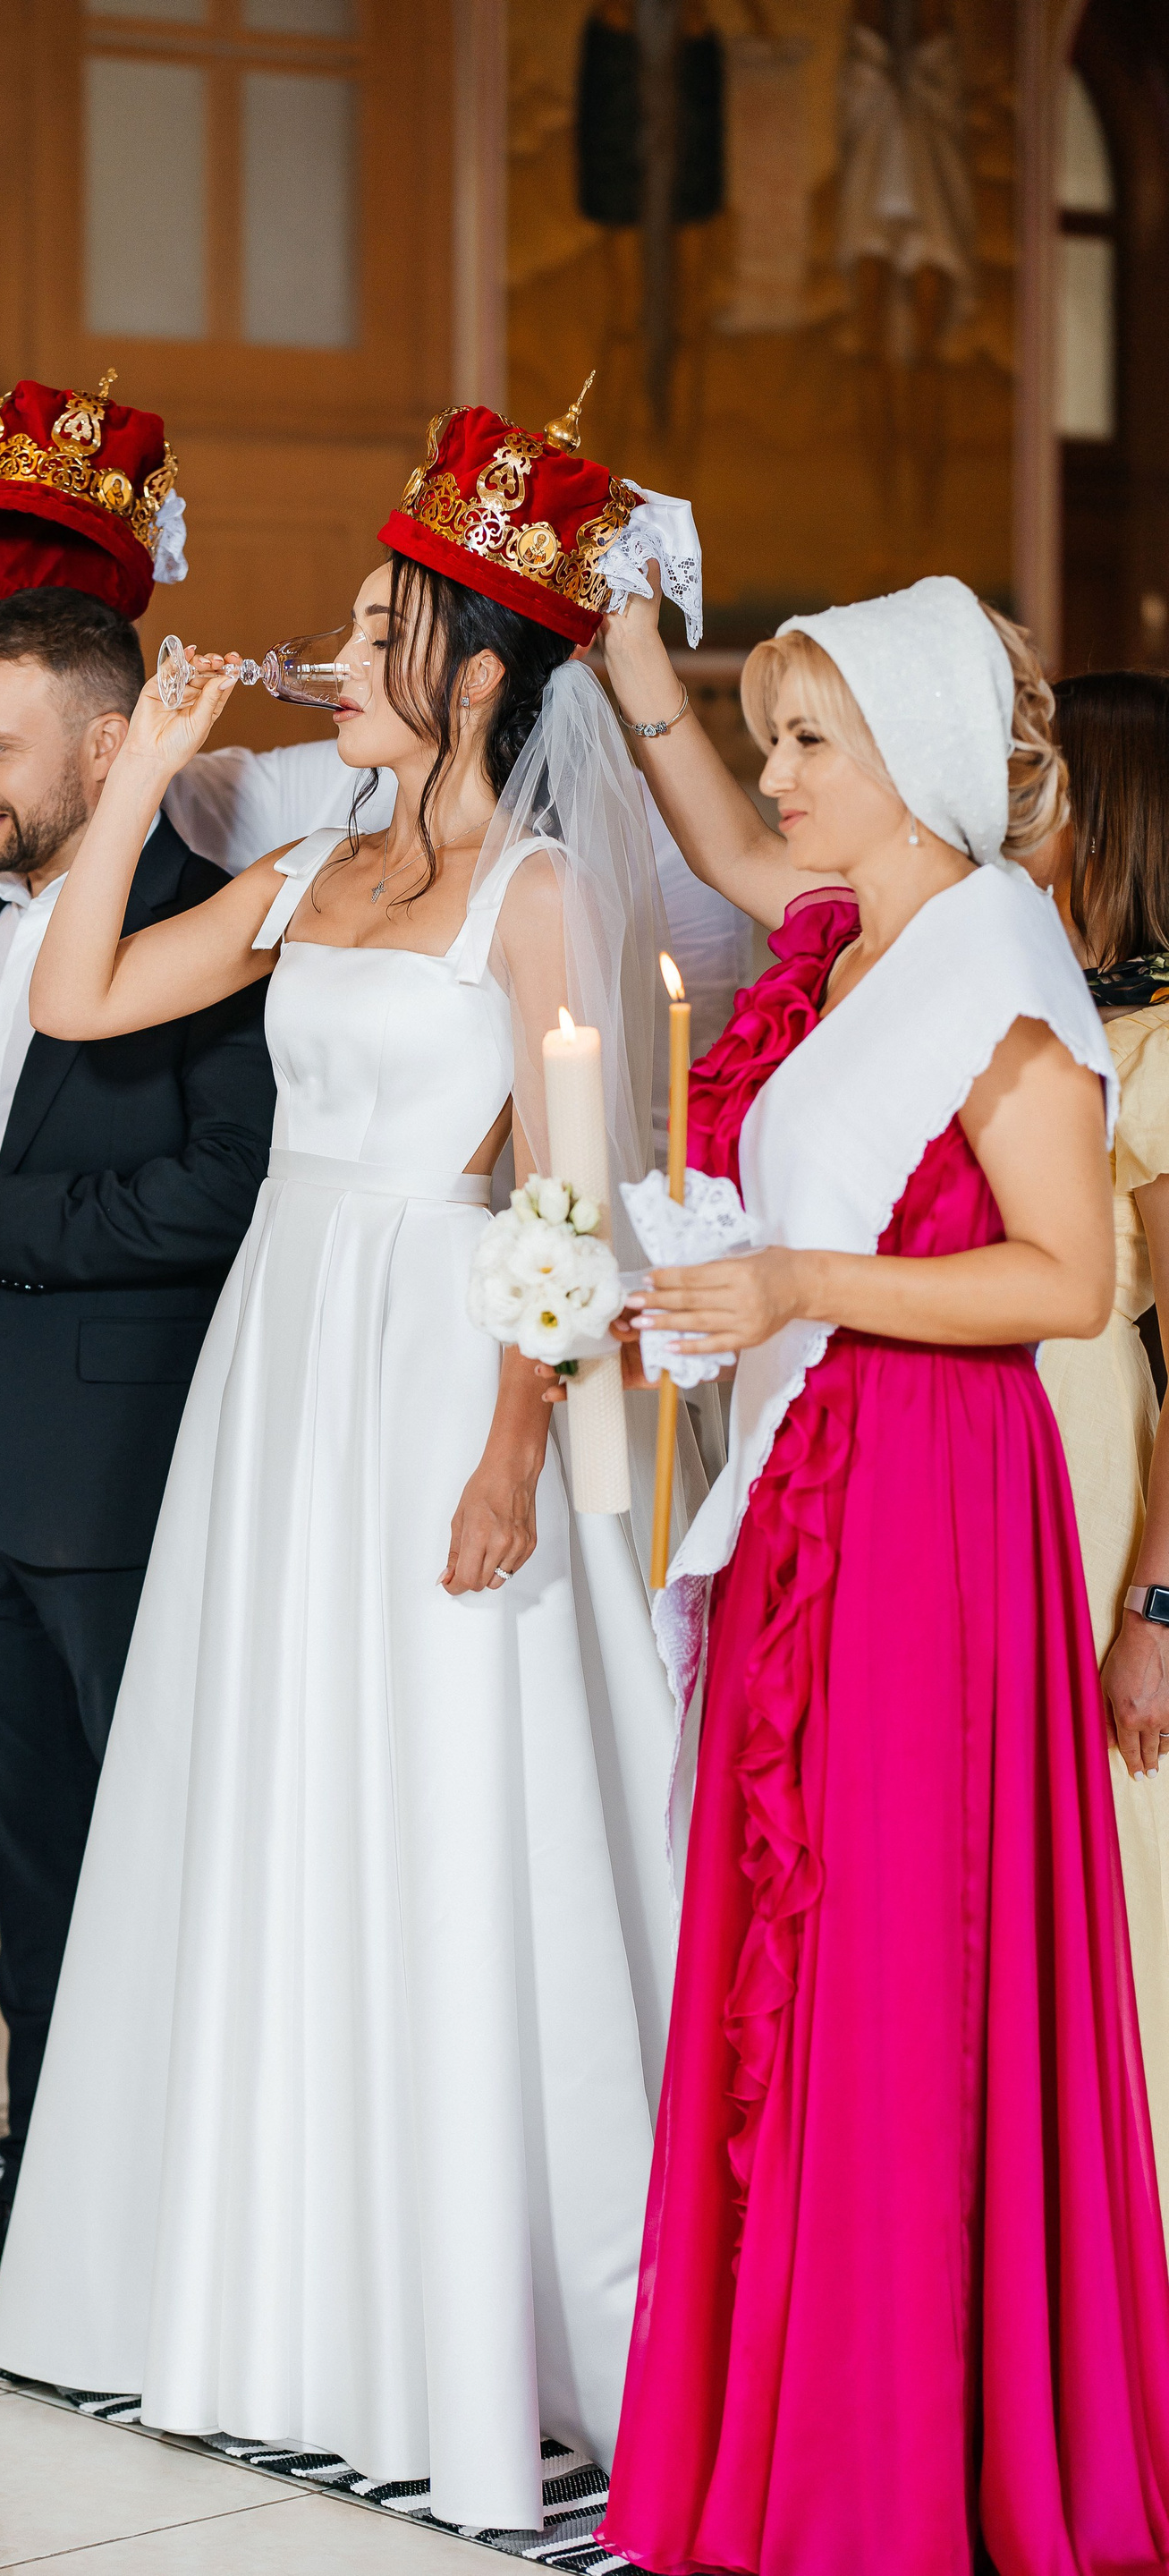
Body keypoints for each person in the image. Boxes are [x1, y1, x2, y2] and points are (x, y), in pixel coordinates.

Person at [0, 395, 705, 2531]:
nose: (339, 645)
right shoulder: (311, 871)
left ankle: (463, 2321)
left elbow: (563, 1194)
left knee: (434, 1804)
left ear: (470, 679)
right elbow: (78, 997)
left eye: (383, 626)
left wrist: (513, 1443)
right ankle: (270, 2299)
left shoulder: (537, 893)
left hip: (433, 1355)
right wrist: (140, 770)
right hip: (280, 1357)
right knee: (268, 1786)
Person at [592, 572, 1169, 2573]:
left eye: (809, 738)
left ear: (911, 756)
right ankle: (802, 2432)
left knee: (900, 1951)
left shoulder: (994, 958)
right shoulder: (857, 942)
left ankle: (907, 2465)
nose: (778, 776)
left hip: (931, 1492)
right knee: (802, 1932)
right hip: (815, 1470)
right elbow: (734, 853)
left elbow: (1069, 1281)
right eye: (774, 735)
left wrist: (797, 1282)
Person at [0, 373, 278, 2322]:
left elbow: (223, 1190)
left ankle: (185, 2239)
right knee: (31, 1877)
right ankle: (46, 2220)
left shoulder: (216, 923)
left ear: (112, 742)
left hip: (112, 1474)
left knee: (154, 1864)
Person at [1034, 668, 1169, 2237]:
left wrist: (1155, 1611)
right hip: (1024, 1458)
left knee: (1124, 1873)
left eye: (1044, 783)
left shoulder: (1157, 1047)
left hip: (1104, 1481)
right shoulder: (1053, 1015)